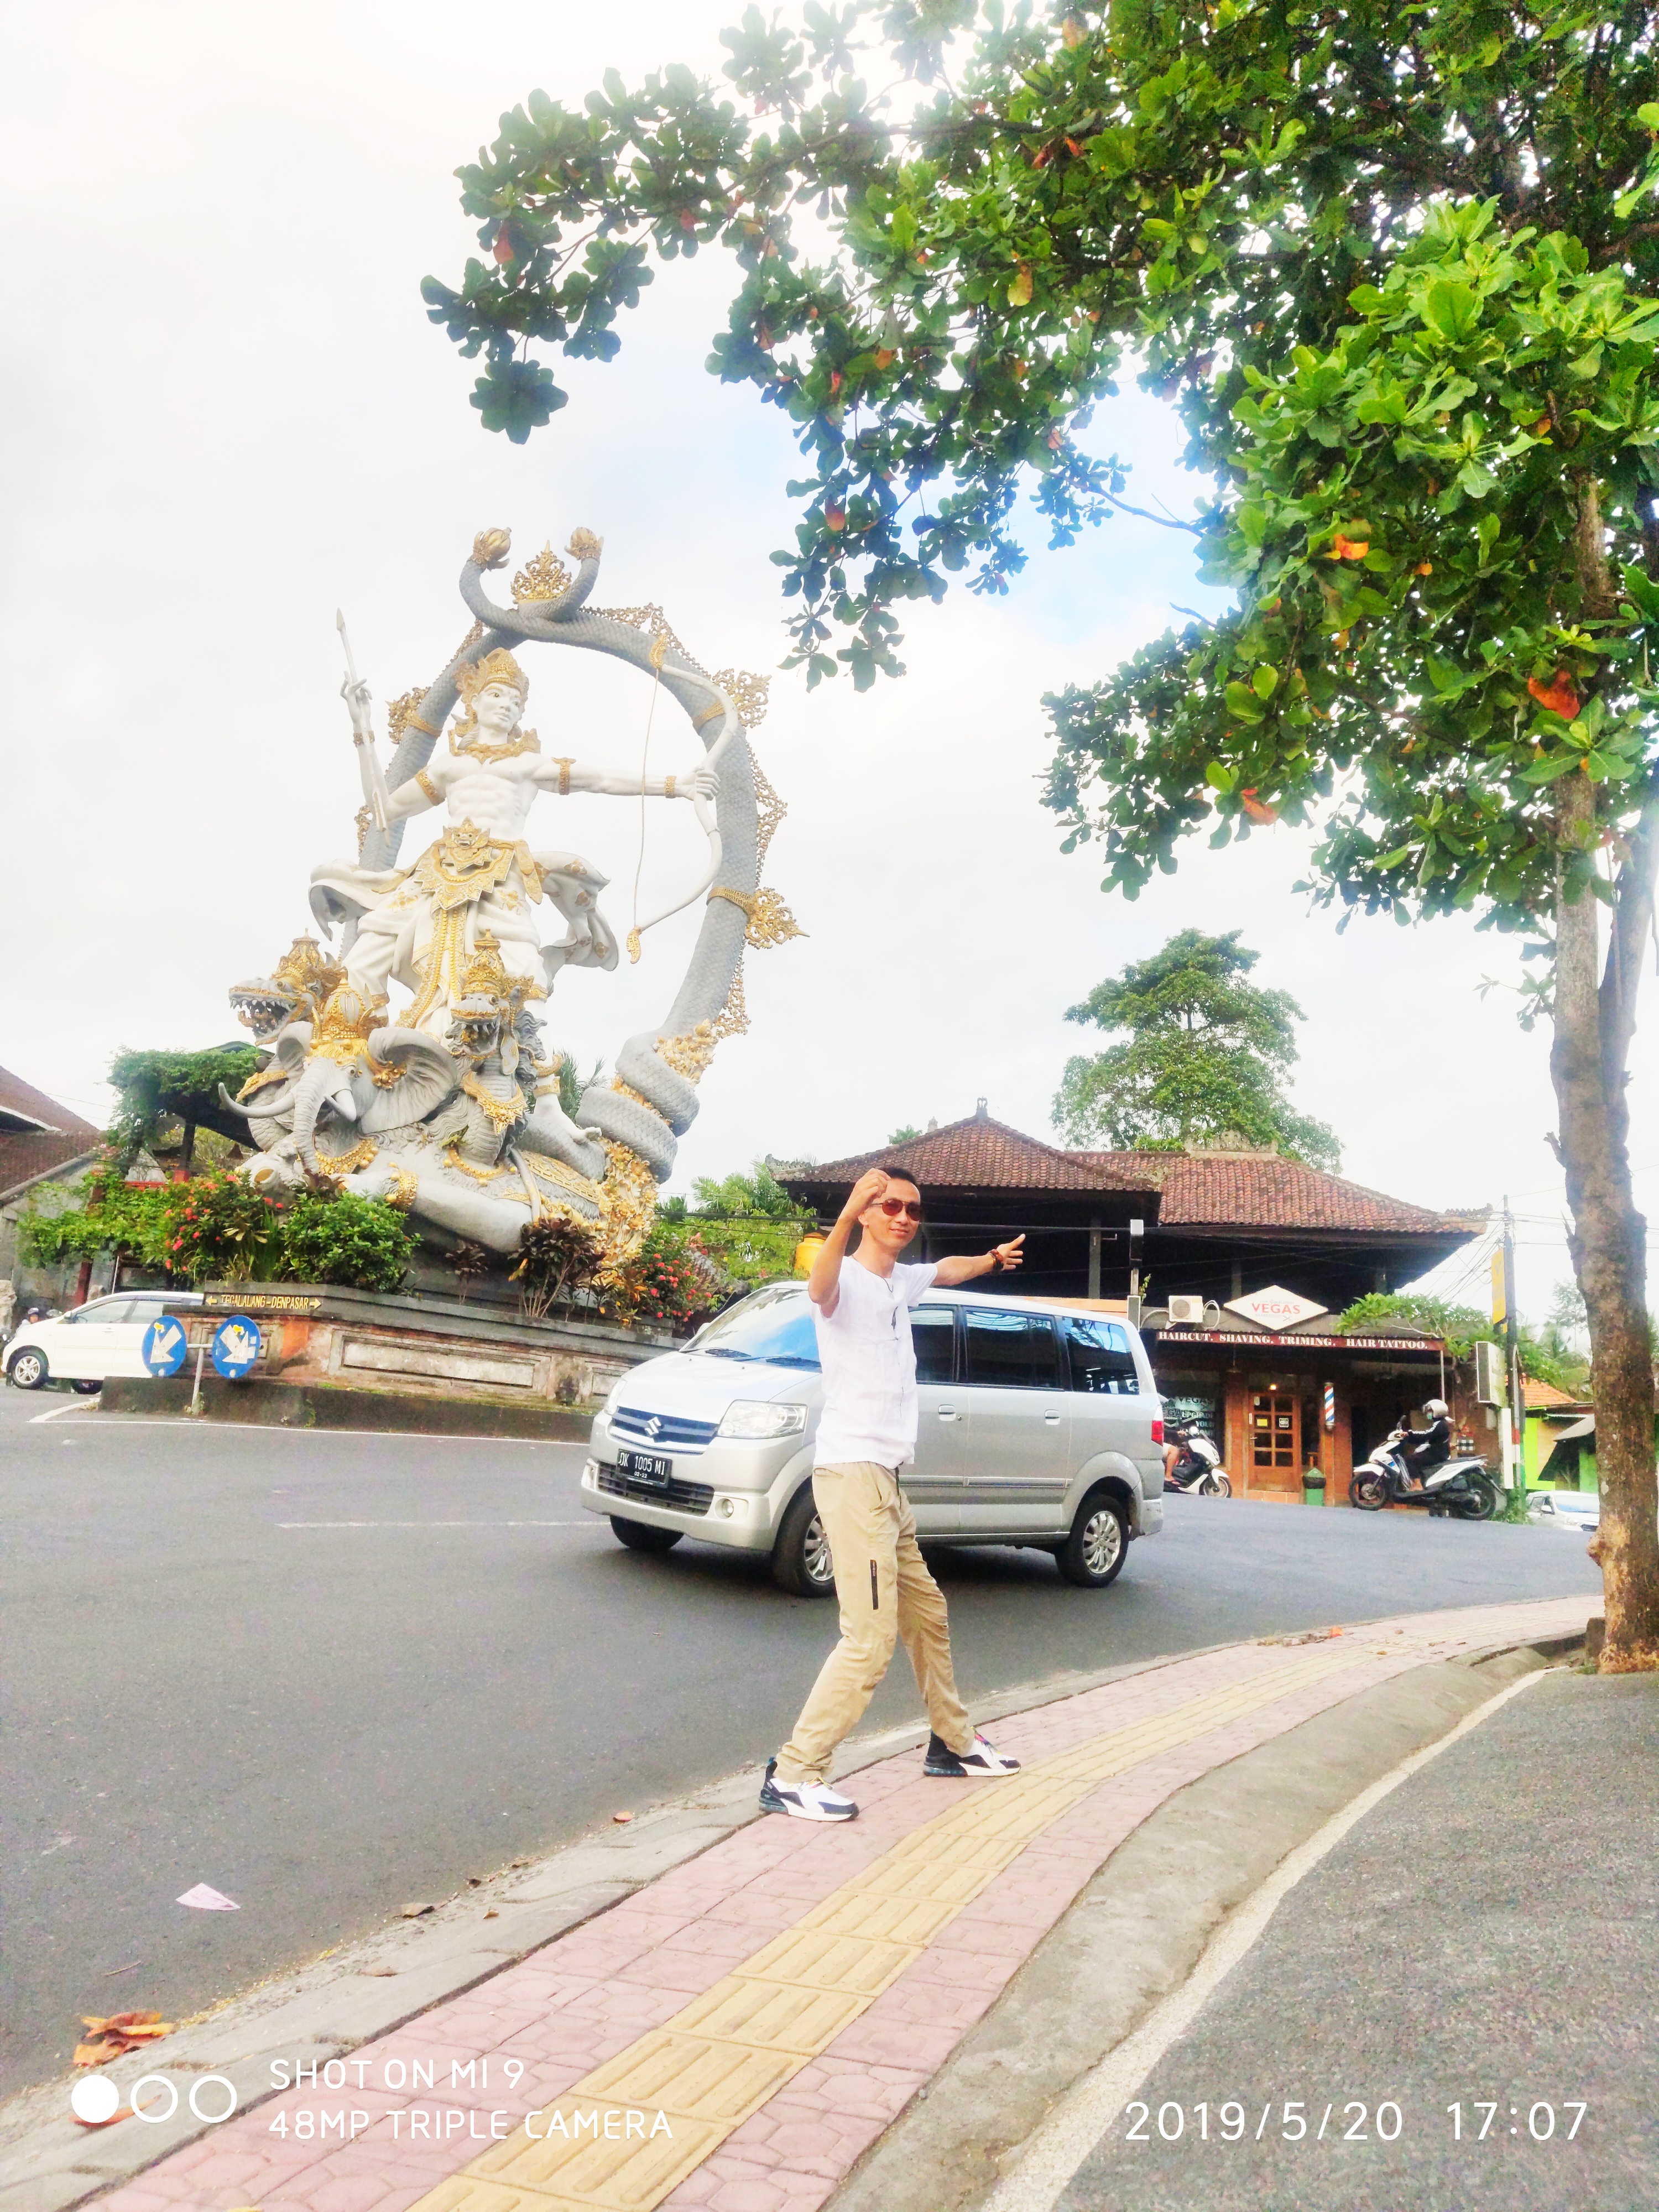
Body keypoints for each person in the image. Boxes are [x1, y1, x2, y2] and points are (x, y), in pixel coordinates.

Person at [760, 1166, 1030, 1823]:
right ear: (870, 1212)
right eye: (891, 1206)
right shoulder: (844, 1278)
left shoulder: (899, 1280)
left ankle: (952, 1742)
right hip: (852, 1475)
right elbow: (818, 1286)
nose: (903, 1216)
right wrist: (849, 1212)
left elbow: (951, 1270)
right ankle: (796, 1772)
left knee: (928, 1614)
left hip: (887, 1480)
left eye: (911, 1208)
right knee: (869, 1638)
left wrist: (994, 1258)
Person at [1396, 1398, 1453, 1488]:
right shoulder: (1440, 1424)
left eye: (1430, 1411)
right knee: (1416, 1456)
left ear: (1437, 1411)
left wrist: (1409, 1433)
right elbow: (1424, 1437)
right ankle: (1422, 1482)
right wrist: (1409, 1438)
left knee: (1410, 1460)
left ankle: (1418, 1485)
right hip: (1438, 1453)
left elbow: (1426, 1434)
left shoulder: (1440, 1424)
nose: (1428, 1414)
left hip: (1437, 1454)